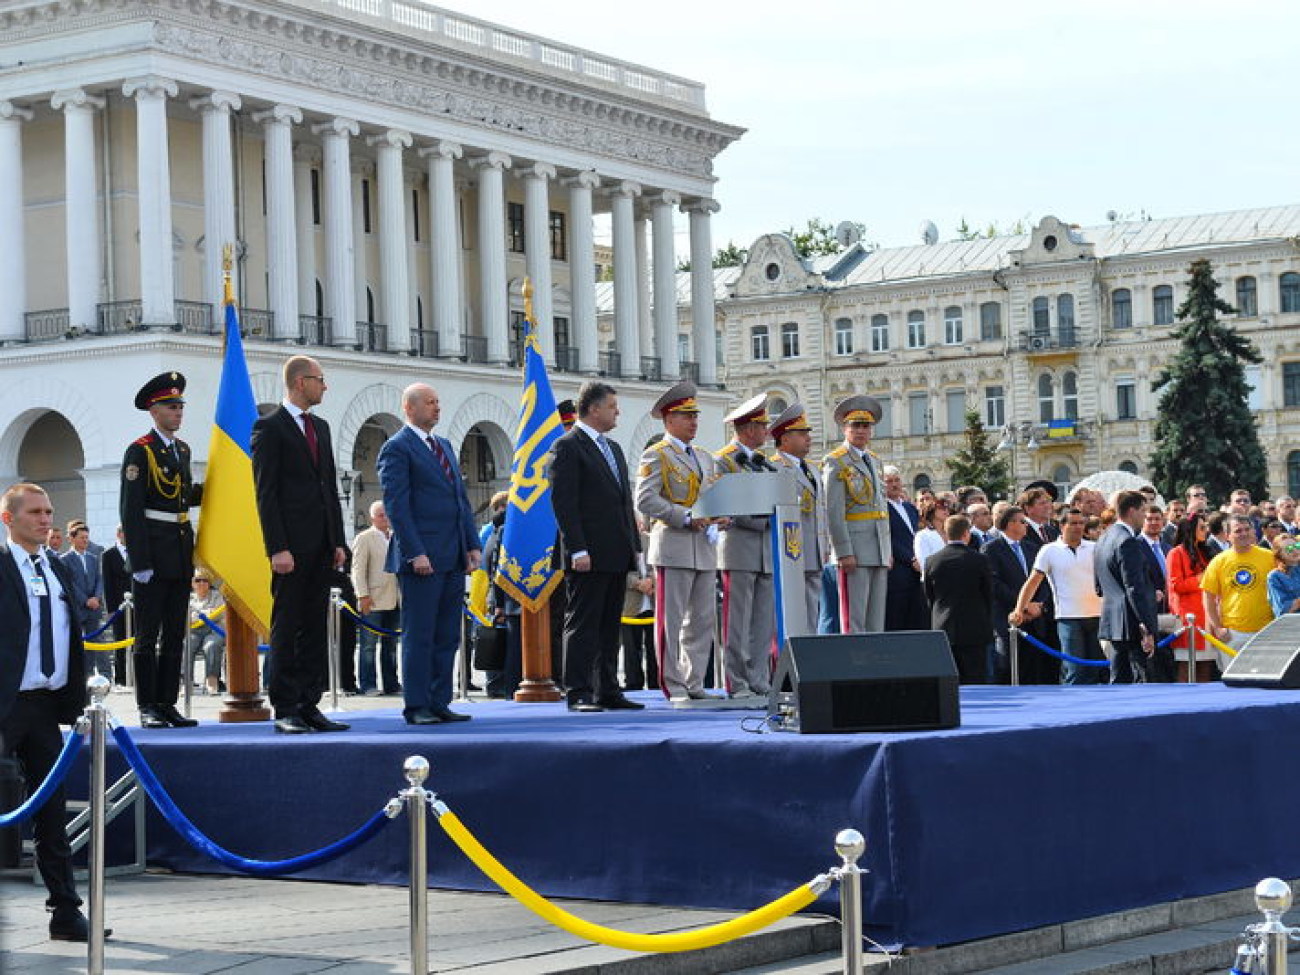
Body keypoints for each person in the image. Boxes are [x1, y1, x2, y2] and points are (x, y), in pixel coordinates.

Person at [0, 483, 104, 942]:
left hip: (44, 706)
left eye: (49, 512)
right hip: (4, 705)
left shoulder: (58, 568)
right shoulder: (2, 567)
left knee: (52, 811)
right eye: (36, 512)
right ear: (9, 518)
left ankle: (65, 912)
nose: (46, 520)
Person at [251, 355, 349, 734]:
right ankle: (286, 706)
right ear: (299, 382)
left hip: (321, 545)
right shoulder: (269, 428)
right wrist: (277, 546)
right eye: (319, 379)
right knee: (288, 625)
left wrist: (337, 540)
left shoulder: (320, 427)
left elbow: (329, 487)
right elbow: (266, 493)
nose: (324, 386)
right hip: (290, 548)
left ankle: (310, 703)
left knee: (314, 627)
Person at [377, 382, 480, 725]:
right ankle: (417, 705)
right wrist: (414, 552)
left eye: (438, 402)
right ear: (410, 408)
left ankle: (439, 701)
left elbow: (459, 500)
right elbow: (397, 505)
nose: (437, 408)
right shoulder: (397, 447)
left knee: (447, 634)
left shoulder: (445, 445)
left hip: (451, 555)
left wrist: (472, 545)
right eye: (430, 403)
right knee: (419, 634)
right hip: (422, 558)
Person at [549, 381, 642, 711]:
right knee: (583, 624)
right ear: (592, 409)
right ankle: (578, 692)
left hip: (616, 551)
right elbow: (564, 503)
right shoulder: (568, 446)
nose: (617, 411)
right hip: (587, 552)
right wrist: (577, 548)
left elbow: (623, 502)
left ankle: (607, 689)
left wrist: (635, 548)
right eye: (612, 405)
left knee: (608, 626)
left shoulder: (613, 449)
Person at [120, 372, 203, 729]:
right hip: (153, 553)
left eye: (180, 406)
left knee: (174, 632)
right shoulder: (140, 450)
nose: (178, 412)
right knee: (147, 635)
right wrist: (140, 560)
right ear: (154, 411)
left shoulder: (181, 450)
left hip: (180, 550)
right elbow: (131, 509)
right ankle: (148, 705)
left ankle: (167, 702)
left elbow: (184, 497)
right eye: (171, 407)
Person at [634, 380, 723, 703]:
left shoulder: (703, 456)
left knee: (701, 620)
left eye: (695, 416)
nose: (694, 422)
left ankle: (694, 681)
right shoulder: (656, 454)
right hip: (673, 544)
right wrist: (684, 516)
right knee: (670, 621)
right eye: (687, 416)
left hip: (704, 546)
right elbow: (645, 499)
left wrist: (718, 516)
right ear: (669, 420)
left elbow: (710, 498)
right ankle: (673, 684)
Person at [714, 393, 776, 699]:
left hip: (766, 551)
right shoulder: (724, 460)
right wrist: (766, 521)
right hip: (738, 548)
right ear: (749, 428)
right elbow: (730, 506)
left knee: (762, 622)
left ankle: (759, 679)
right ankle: (737, 681)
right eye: (763, 425)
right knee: (737, 622)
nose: (767, 431)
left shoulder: (763, 463)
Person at [1011, 508, 1104, 685]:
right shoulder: (1049, 550)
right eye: (1073, 523)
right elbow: (1032, 582)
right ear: (1062, 526)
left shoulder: (1094, 548)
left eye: (1081, 523)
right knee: (1074, 670)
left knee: (1095, 670)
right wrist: (1019, 609)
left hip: (1097, 615)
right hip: (1068, 618)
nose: (1078, 527)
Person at [822, 395, 890, 633]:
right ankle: (854, 668)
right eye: (855, 425)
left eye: (866, 426)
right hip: (855, 549)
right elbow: (833, 512)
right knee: (854, 621)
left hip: (878, 549)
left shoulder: (874, 460)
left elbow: (880, 507)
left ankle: (872, 668)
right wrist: (843, 551)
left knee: (875, 622)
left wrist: (886, 550)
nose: (861, 431)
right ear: (844, 428)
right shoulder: (836, 462)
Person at [768, 403, 829, 633]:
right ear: (784, 439)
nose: (808, 438)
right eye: (801, 433)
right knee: (789, 617)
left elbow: (820, 512)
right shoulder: (774, 468)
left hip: (814, 552)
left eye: (808, 433)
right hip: (790, 554)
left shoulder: (812, 469)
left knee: (812, 613)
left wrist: (825, 545)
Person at [1095, 489, 1163, 683]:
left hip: (1113, 618)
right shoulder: (1127, 541)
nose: (1145, 516)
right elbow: (1134, 587)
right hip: (1130, 623)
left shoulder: (1104, 538)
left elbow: (1098, 586)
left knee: (1119, 678)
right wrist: (1147, 627)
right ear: (1132, 511)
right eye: (1143, 511)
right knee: (1140, 680)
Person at [1201, 514, 1278, 672]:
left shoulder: (1270, 557)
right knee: (1235, 683)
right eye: (1238, 531)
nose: (1243, 534)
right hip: (1234, 633)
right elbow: (1208, 597)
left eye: (1247, 529)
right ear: (1228, 535)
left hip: (1266, 631)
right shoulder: (1219, 561)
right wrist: (1217, 627)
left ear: (1253, 532)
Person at [923, 514, 993, 683]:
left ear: (945, 534)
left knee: (948, 681)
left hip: (943, 626)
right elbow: (988, 593)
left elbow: (929, 595)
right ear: (966, 533)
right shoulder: (979, 560)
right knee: (975, 679)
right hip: (974, 627)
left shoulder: (932, 561)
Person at [350, 500, 401, 696]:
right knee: (368, 646)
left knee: (391, 645)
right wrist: (362, 595)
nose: (385, 518)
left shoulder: (396, 537)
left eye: (387, 514)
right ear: (372, 518)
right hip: (373, 599)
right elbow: (358, 570)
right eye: (381, 515)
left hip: (395, 598)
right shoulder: (365, 538)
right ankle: (368, 684)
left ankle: (391, 683)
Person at [1166, 512, 1215, 681]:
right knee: (1186, 668)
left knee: (1206, 667)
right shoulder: (1176, 553)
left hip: (1206, 619)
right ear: (1191, 530)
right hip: (1188, 620)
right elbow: (1176, 585)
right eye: (1202, 528)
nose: (1206, 531)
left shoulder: (1204, 552)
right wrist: (1200, 579)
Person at [881, 465, 927, 631]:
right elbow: (889, 537)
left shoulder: (909, 507)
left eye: (897, 480)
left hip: (917, 570)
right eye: (889, 482)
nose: (894, 485)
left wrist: (920, 558)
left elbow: (916, 535)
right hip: (898, 570)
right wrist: (910, 558)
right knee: (897, 619)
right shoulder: (881, 508)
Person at [61, 520, 106, 677]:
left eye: (87, 537)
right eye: (82, 538)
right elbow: (70, 584)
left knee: (94, 645)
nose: (85, 541)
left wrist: (96, 597)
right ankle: (76, 675)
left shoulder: (93, 558)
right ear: (72, 539)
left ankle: (89, 674)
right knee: (76, 644)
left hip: (94, 608)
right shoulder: (64, 560)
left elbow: (99, 579)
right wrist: (85, 600)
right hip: (78, 608)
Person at [621, 524, 657, 692]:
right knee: (631, 648)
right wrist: (637, 583)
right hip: (630, 605)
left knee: (654, 647)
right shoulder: (620, 543)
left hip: (653, 602)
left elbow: (659, 564)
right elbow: (619, 571)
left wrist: (651, 581)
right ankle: (633, 685)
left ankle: (656, 684)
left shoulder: (651, 541)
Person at [100, 525, 131, 683]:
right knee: (120, 642)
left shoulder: (136, 552)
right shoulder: (109, 554)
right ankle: (121, 677)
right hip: (118, 606)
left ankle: (136, 676)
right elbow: (107, 583)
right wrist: (110, 609)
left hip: (135, 605)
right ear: (119, 534)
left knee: (135, 642)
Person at [187, 568, 225, 694]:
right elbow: (186, 617)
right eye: (198, 580)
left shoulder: (217, 596)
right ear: (193, 583)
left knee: (211, 645)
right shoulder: (189, 598)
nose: (201, 583)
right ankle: (187, 681)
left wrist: (199, 615)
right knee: (187, 645)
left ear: (209, 583)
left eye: (205, 580)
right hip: (194, 631)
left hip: (213, 629)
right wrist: (207, 613)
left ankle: (212, 680)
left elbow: (219, 614)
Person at [912, 498, 947, 580]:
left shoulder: (951, 533)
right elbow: (923, 562)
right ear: (931, 511)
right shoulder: (922, 535)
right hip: (933, 581)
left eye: (946, 508)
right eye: (941, 508)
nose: (945, 510)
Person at [1267, 534, 1300, 617]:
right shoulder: (1274, 577)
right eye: (1289, 548)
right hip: (1293, 626)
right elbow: (1281, 610)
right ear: (1279, 554)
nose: (1295, 550)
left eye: (1296, 545)